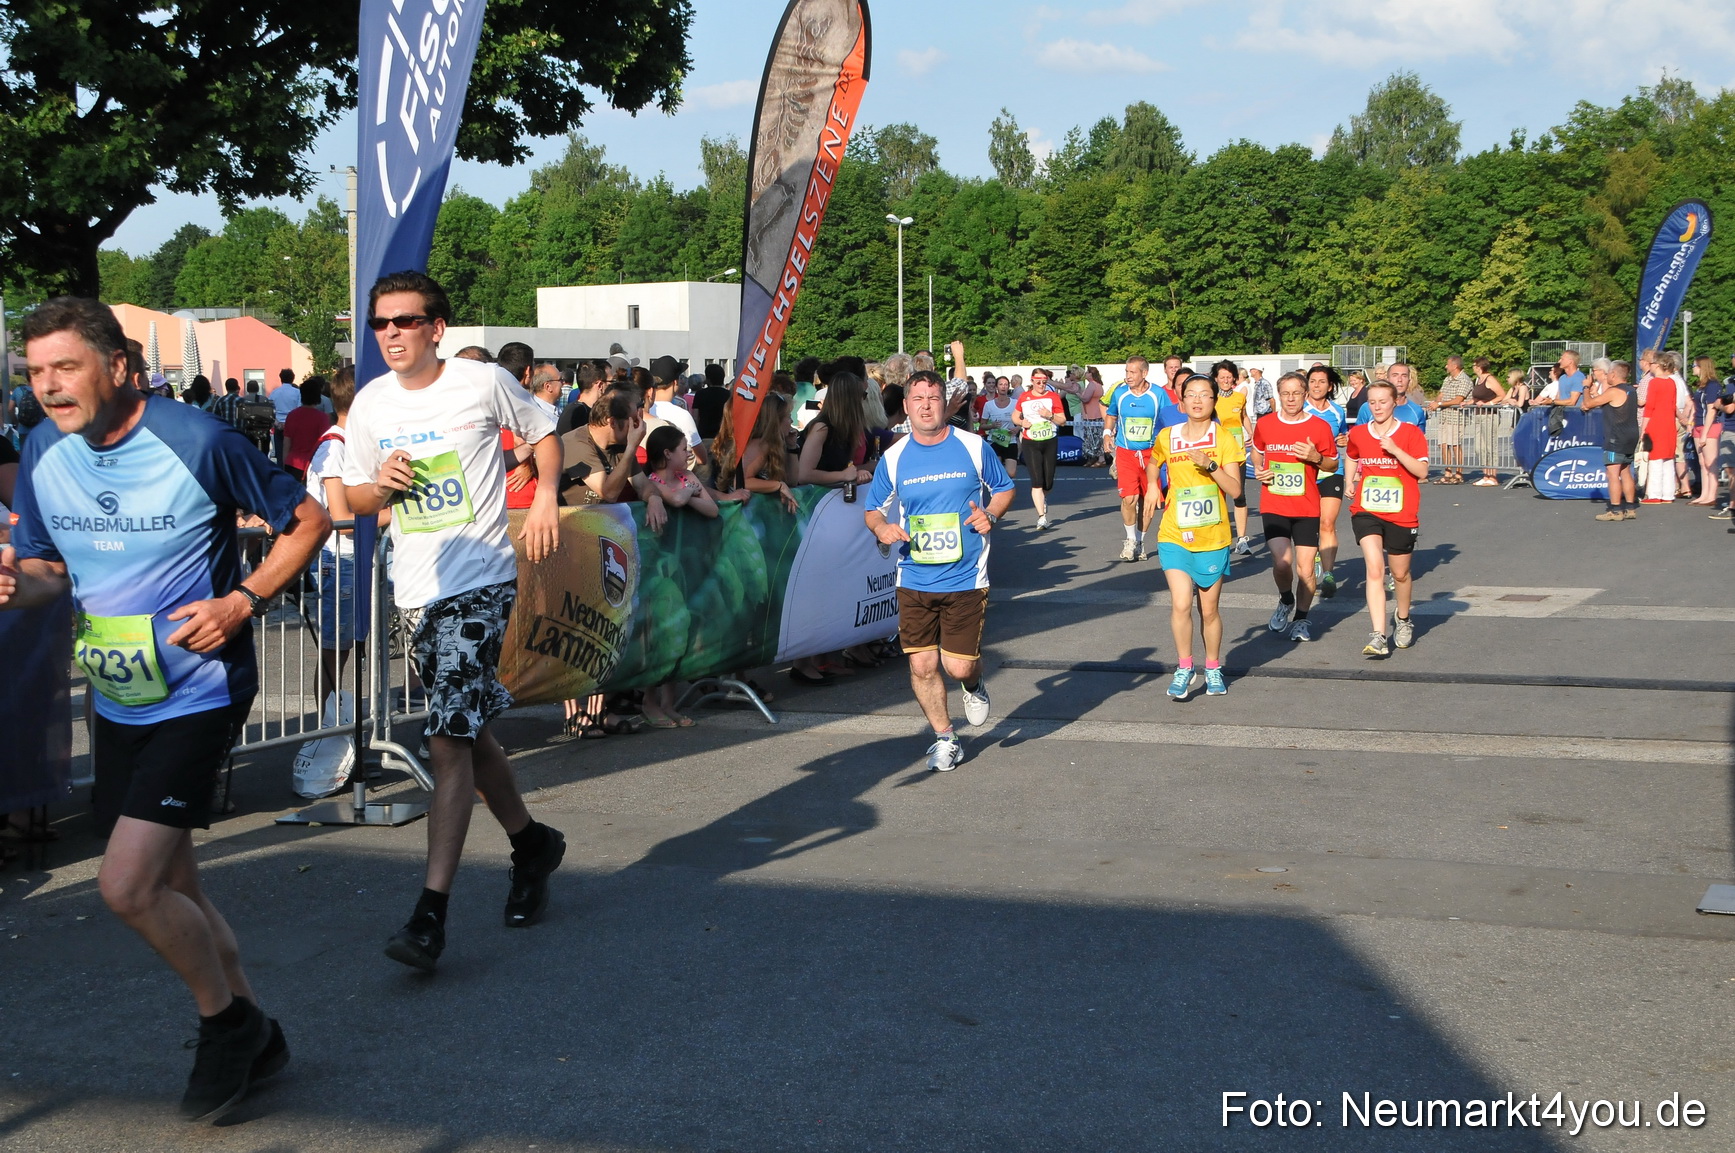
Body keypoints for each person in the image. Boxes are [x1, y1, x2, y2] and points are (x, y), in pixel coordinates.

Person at [1, 296, 330, 1121]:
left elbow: (308, 520)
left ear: (117, 366)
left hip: (199, 686)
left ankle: (227, 1025)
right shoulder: (41, 448)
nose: (48, 386)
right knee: (175, 879)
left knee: (126, 885)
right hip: (118, 693)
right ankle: (257, 1029)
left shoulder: (198, 440)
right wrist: (13, 583)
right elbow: (47, 572)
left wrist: (243, 600)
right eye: (35, 372)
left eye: (65, 366)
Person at [341, 271, 565, 972]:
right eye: (380, 323)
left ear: (436, 328)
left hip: (482, 582)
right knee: (468, 732)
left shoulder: (482, 382)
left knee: (444, 739)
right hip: (415, 591)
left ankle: (430, 915)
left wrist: (548, 496)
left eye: (405, 321)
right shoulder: (372, 402)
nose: (391, 334)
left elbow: (544, 432)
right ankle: (532, 844)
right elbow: (352, 498)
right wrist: (382, 485)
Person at [865, 371, 1015, 772]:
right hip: (913, 576)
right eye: (918, 399)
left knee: (958, 666)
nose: (926, 406)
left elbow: (1003, 489)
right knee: (922, 665)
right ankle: (946, 738)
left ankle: (973, 683)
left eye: (933, 398)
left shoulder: (973, 446)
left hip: (966, 576)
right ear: (906, 406)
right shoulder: (894, 456)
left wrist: (990, 515)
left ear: (944, 403)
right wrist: (882, 528)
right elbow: (873, 509)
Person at [1149, 375, 1244, 700]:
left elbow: (1236, 489)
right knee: (1179, 603)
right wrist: (1152, 486)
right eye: (1191, 394)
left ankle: (1213, 667)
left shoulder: (1224, 437)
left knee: (1209, 609)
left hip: (1212, 536)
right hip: (1174, 533)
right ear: (1182, 401)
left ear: (1214, 401)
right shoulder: (1168, 435)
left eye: (1205, 395)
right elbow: (1153, 461)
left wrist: (1212, 465)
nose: (1198, 400)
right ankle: (1185, 667)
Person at [1345, 381, 1429, 657]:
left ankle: (1403, 618)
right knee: (1374, 569)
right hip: (1366, 509)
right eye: (1372, 402)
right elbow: (1351, 455)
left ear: (1395, 402)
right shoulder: (1359, 432)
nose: (1377, 407)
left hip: (1402, 513)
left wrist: (1395, 450)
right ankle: (1378, 635)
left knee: (1400, 574)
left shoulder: (1410, 432)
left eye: (1383, 401)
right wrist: (1349, 481)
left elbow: (1422, 472)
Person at [1252, 372, 1337, 642]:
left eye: (1296, 393)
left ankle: (1301, 619)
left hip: (1306, 507)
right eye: (1285, 393)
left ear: (1305, 395)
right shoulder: (1265, 424)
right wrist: (1258, 468)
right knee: (1282, 563)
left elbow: (1333, 464)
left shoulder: (1320, 427)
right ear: (1279, 395)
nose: (1290, 399)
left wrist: (1316, 457)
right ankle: (1286, 599)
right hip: (1274, 503)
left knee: (1306, 570)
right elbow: (1257, 451)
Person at [1102, 355, 1178, 561]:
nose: (1128, 376)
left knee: (1148, 500)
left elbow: (1169, 418)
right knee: (1129, 498)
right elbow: (1111, 414)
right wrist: (1107, 434)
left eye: (1132, 372)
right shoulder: (1120, 393)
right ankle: (1130, 540)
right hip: (1126, 452)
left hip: (1151, 454)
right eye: (1126, 372)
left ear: (1144, 373)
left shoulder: (1157, 394)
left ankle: (1141, 540)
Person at [1303, 366, 1348, 598]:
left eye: (1322, 382)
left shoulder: (1337, 411)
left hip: (1332, 470)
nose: (1316, 386)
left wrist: (1344, 439)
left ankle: (1329, 574)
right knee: (1310, 524)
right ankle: (1312, 561)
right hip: (1305, 473)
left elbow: (1343, 434)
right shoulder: (1300, 409)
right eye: (1312, 381)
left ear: (1330, 386)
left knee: (1327, 523)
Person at [1582, 359, 1639, 521]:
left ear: (1613, 374)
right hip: (1631, 435)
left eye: (1608, 373)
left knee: (1612, 473)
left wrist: (1586, 387)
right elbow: (1608, 403)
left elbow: (1588, 403)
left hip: (1616, 436)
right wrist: (1596, 394)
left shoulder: (1614, 391)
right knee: (1625, 470)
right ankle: (1630, 508)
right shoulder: (1631, 390)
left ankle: (1615, 510)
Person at [1012, 367, 1065, 530]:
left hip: (1049, 441)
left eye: (1044, 382)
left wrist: (1049, 415)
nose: (1041, 385)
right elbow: (1014, 416)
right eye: (1038, 382)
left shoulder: (1053, 397)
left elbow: (1062, 420)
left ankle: (1043, 498)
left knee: (1048, 482)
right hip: (1030, 442)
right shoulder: (1024, 397)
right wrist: (1021, 422)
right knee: (1037, 481)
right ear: (1032, 381)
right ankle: (1042, 517)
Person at [1211, 360, 1253, 556]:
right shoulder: (1211, 398)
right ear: (1216, 379)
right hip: (1217, 454)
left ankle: (1242, 539)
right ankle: (1217, 538)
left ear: (1235, 378)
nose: (1226, 380)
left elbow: (1244, 416)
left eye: (1229, 377)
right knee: (1217, 496)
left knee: (1239, 494)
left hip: (1237, 454)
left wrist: (1251, 432)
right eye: (1222, 377)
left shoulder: (1239, 397)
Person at [1640, 351, 1689, 503]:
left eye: (1652, 363)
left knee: (1655, 459)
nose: (1650, 366)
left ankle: (1654, 494)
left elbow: (1650, 407)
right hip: (1669, 423)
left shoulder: (1654, 382)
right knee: (1668, 459)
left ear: (1658, 365)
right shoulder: (1671, 382)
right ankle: (1668, 494)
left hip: (1656, 423)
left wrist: (1643, 429)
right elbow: (1673, 406)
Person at [1688, 355, 1727, 507]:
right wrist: (1691, 423)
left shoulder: (1712, 385)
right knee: (1702, 462)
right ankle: (1704, 494)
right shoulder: (1700, 386)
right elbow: (1696, 406)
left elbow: (1711, 411)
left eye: (1694, 366)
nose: (1692, 368)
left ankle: (1711, 495)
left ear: (1702, 367)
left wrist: (1704, 433)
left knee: (1711, 462)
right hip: (1698, 424)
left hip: (1709, 426)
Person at [1431, 355, 1473, 484]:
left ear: (1455, 366)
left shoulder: (1464, 380)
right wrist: (1435, 403)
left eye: (1448, 364)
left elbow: (1458, 399)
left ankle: (1459, 474)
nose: (1446, 366)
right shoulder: (1447, 379)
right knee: (1444, 444)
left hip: (1456, 417)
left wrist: (1439, 404)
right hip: (1445, 416)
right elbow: (1441, 395)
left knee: (1455, 445)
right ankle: (1448, 473)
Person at [280, 377, 331, 482]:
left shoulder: (291, 415)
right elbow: (325, 445)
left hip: (292, 463)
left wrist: (284, 463)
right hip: (313, 464)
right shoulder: (322, 418)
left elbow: (286, 443)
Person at [1468, 357, 1508, 485]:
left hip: (1490, 415)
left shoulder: (1489, 379)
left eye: (1474, 365)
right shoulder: (1477, 380)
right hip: (1479, 415)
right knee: (1479, 447)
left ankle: (1493, 476)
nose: (1473, 368)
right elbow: (1476, 398)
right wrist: (1468, 402)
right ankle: (1486, 475)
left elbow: (1502, 395)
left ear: (1479, 367)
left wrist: (1489, 403)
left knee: (1490, 446)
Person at [975, 374, 1020, 479]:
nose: (1003, 387)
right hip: (994, 441)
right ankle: (1002, 486)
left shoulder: (1015, 403)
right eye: (1001, 384)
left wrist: (1017, 428)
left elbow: (1022, 421)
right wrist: (992, 426)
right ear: (996, 387)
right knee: (996, 471)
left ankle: (1004, 481)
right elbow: (982, 425)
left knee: (1011, 473)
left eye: (1006, 384)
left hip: (1010, 441)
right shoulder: (989, 405)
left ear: (1008, 387)